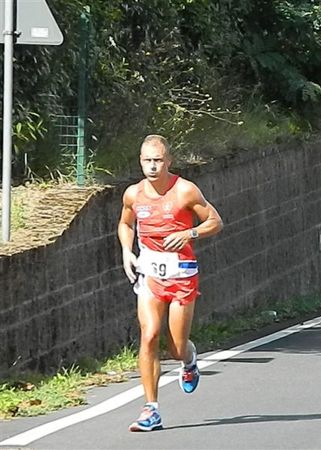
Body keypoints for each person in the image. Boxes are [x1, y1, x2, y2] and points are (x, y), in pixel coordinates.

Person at [118, 134, 223, 431]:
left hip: (182, 274)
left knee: (176, 347)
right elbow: (125, 224)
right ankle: (150, 409)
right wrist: (128, 251)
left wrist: (190, 234)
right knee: (149, 335)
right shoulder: (133, 194)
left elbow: (215, 221)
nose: (152, 167)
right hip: (150, 272)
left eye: (158, 161)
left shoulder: (185, 191)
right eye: (147, 161)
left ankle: (189, 361)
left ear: (169, 161)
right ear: (140, 161)